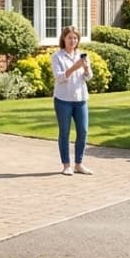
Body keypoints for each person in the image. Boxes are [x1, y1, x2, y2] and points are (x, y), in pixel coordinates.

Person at [51, 26, 94, 175]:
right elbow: (59, 77)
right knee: (65, 132)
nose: (72, 41)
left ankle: (79, 164)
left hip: (81, 98)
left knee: (83, 131)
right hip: (63, 99)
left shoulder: (82, 56)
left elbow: (88, 77)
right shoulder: (57, 57)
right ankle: (66, 165)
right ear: (64, 39)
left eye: (75, 38)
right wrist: (75, 68)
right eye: (70, 37)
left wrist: (87, 69)